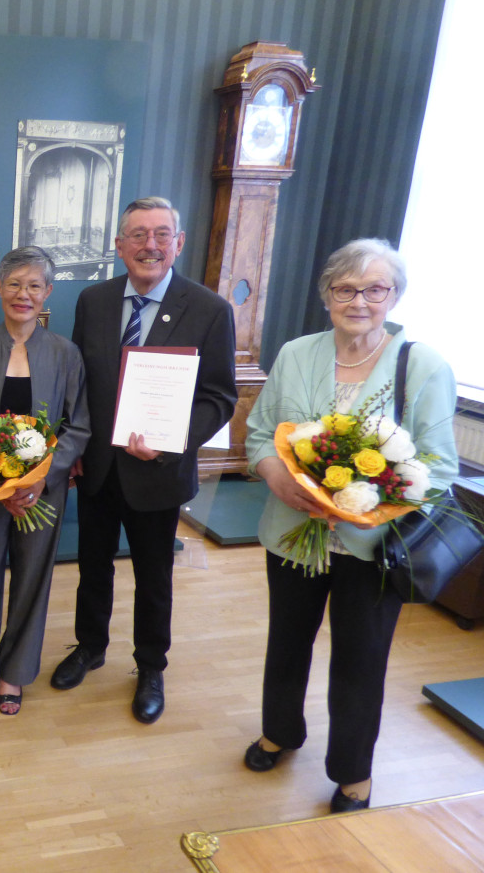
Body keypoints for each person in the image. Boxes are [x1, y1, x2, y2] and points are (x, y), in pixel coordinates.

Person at [242, 238, 457, 813]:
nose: (358, 300)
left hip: (374, 546)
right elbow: (261, 432)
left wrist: (372, 503)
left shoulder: (423, 364)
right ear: (327, 294)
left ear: (394, 296)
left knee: (361, 660)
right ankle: (280, 732)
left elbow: (438, 468)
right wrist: (275, 475)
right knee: (286, 642)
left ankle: (353, 772)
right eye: (345, 288)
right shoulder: (295, 353)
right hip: (292, 530)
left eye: (374, 289)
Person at [52, 196, 236, 724]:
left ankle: (151, 666)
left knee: (154, 577)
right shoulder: (94, 300)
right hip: (99, 468)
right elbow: (80, 383)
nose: (149, 245)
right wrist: (76, 446)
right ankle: (90, 646)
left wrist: (172, 437)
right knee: (92, 567)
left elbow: (219, 397)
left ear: (178, 243)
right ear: (119, 245)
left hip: (158, 473)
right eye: (137, 235)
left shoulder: (209, 310)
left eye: (161, 234)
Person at [0, 247, 90, 714]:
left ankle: (16, 672)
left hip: (40, 494)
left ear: (48, 292)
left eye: (33, 286)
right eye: (13, 284)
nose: (22, 294)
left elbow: (78, 426)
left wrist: (38, 479)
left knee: (32, 579)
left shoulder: (66, 354)